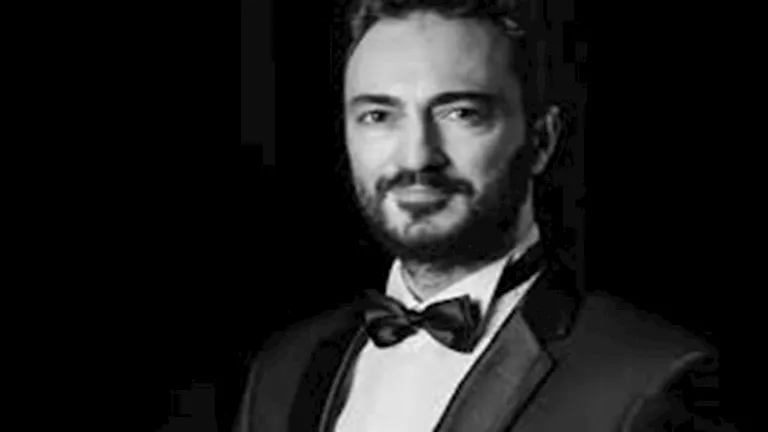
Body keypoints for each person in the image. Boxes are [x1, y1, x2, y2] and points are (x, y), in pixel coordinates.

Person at [235, 0, 735, 430]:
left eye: (461, 113)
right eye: (378, 116)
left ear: (541, 141)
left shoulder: (651, 379)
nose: (417, 157)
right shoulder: (283, 369)